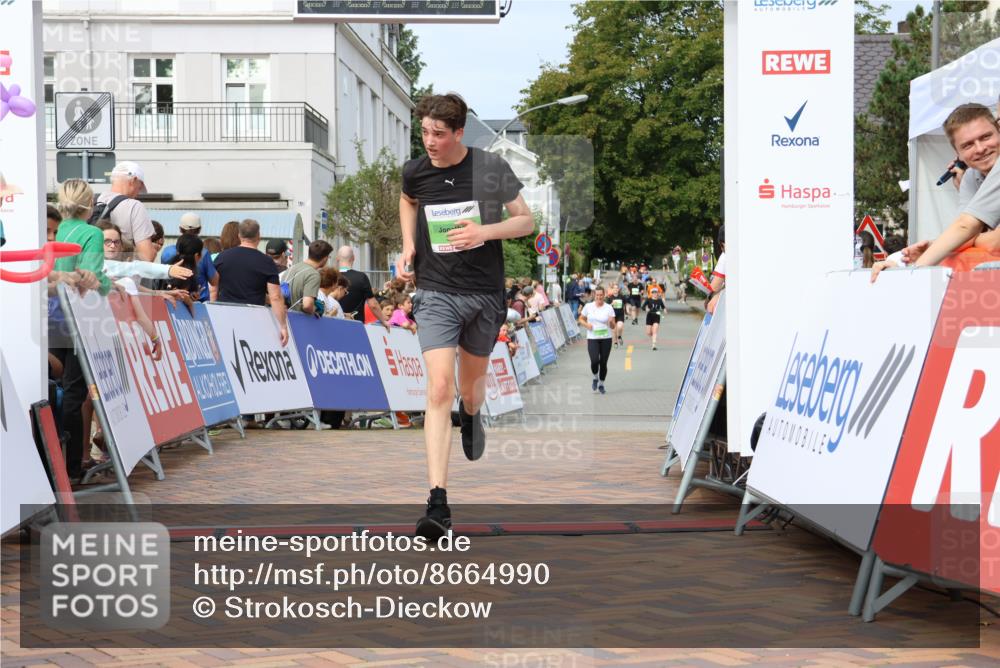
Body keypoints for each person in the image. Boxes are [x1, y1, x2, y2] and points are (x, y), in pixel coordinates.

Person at [396, 92, 533, 539]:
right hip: (435, 292)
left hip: (483, 294)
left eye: (438, 134)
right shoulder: (416, 171)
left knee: (469, 390)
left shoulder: (490, 168)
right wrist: (409, 245)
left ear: (458, 133)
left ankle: (472, 414)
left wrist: (483, 232)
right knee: (438, 387)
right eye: (424, 133)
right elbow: (407, 199)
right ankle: (438, 503)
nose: (430, 142)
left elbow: (525, 222)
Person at [872, 103, 1000, 280]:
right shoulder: (970, 177)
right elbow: (963, 235)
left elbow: (978, 236)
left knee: (968, 258)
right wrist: (905, 260)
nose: (980, 148)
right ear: (958, 154)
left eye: (985, 137)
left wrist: (913, 273)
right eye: (968, 145)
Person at [51, 179, 113, 481]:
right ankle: (71, 468)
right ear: (90, 204)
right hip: (75, 320)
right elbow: (92, 280)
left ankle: (50, 463)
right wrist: (109, 285)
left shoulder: (51, 228)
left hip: (43, 316)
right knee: (74, 393)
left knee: (49, 389)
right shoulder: (92, 234)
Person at [213, 219, 289, 346]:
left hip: (224, 315)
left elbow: (213, 288)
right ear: (258, 236)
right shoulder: (266, 262)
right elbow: (275, 297)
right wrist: (283, 326)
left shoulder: (222, 257)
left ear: (239, 236)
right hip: (253, 318)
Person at [93, 161, 157, 261]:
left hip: (94, 271)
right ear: (133, 180)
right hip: (121, 274)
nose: (138, 193)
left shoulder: (94, 202)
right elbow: (147, 257)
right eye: (139, 187)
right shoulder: (135, 206)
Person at [334, 245, 391, 328]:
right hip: (356, 325)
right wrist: (383, 321)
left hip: (333, 323)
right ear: (353, 258)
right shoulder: (361, 277)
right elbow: (373, 304)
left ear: (337, 258)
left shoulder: (331, 277)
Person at [578, 285, 615, 394]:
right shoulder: (588, 306)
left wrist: (611, 322)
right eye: (597, 295)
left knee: (603, 363)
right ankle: (595, 377)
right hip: (592, 338)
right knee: (594, 361)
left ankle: (602, 384)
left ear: (604, 295)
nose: (599, 297)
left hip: (606, 338)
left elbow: (613, 326)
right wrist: (586, 325)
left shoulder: (609, 308)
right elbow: (580, 319)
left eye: (601, 295)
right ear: (594, 295)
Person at [284, 240, 333, 315]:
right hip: (298, 321)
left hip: (283, 317)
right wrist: (316, 310)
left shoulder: (291, 269)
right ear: (325, 258)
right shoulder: (313, 274)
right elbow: (307, 305)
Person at [642, 284, 667, 351]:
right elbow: (643, 307)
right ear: (651, 293)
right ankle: (653, 337)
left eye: (656, 292)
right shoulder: (648, 300)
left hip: (657, 316)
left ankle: (654, 345)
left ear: (657, 293)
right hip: (649, 316)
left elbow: (663, 307)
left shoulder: (660, 300)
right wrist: (646, 309)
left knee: (655, 331)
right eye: (653, 293)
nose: (655, 294)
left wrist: (664, 310)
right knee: (648, 332)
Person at [608, 282, 626, 347]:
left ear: (618, 289)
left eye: (617, 288)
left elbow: (625, 304)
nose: (615, 289)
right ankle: (615, 342)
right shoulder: (610, 298)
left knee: (620, 326)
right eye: (614, 288)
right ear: (612, 289)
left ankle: (619, 336)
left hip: (620, 314)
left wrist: (626, 312)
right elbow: (607, 307)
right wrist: (611, 304)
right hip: (613, 315)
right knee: (614, 330)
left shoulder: (622, 297)